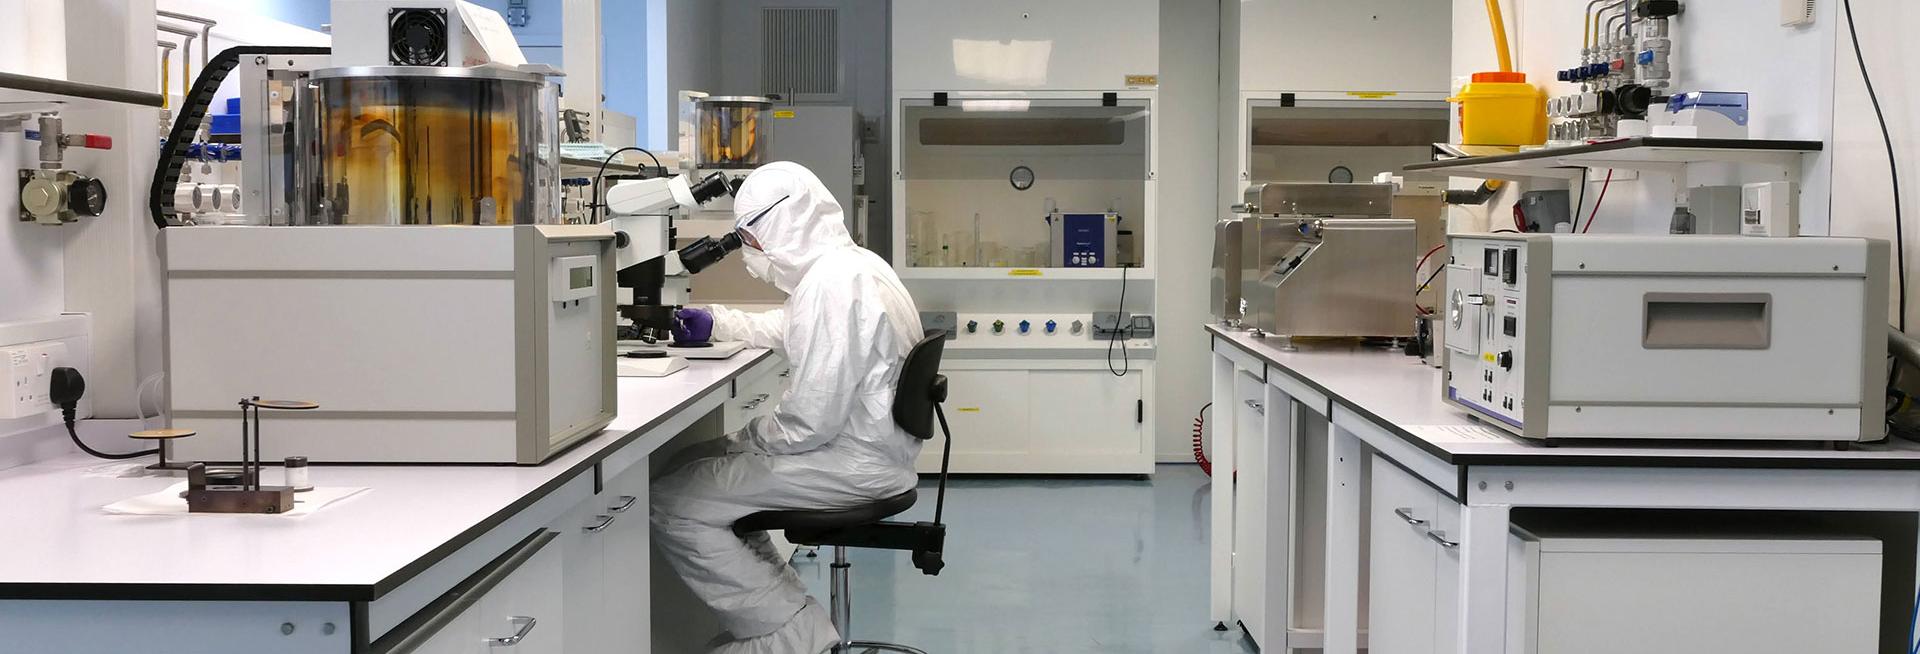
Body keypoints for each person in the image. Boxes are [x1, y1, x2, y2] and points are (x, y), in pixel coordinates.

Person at [652, 161, 925, 654]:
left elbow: (807, 422)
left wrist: (744, 440)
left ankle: (788, 639)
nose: (751, 255)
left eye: (750, 241)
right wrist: (717, 322)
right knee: (700, 473)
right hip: (874, 454)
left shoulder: (832, 286)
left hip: (848, 463)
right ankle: (794, 623)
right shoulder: (856, 266)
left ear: (783, 227)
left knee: (671, 500)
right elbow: (789, 330)